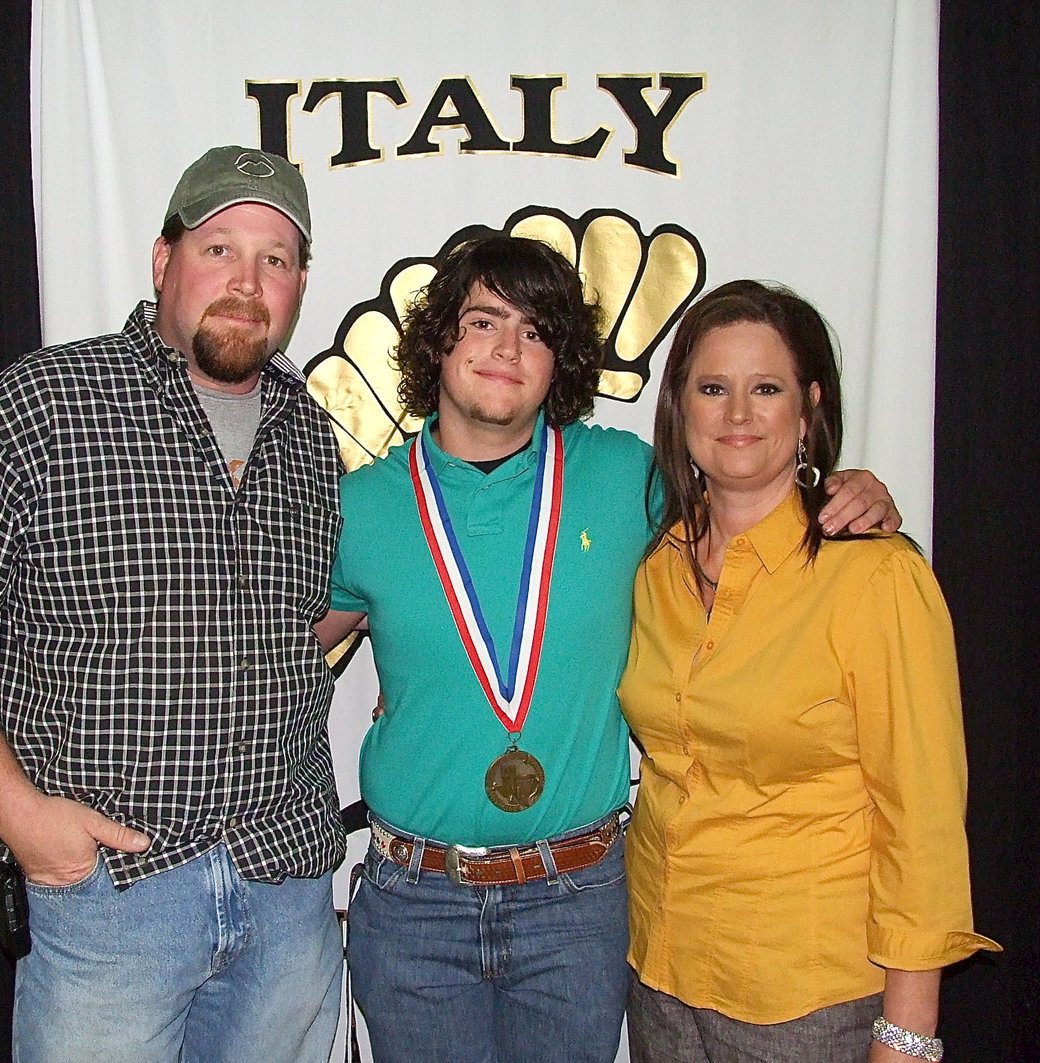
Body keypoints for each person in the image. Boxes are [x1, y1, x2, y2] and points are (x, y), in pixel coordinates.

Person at [315, 237, 901, 1063]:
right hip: (416, 904)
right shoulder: (361, 505)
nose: (507, 348)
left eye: (535, 329)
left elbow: (753, 500)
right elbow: (274, 657)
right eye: (483, 320)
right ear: (438, 339)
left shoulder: (630, 477)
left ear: (563, 361)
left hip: (576, 899)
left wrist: (849, 487)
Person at [0, 147, 345, 1063]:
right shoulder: (38, 407)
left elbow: (308, 620)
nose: (248, 284)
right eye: (219, 250)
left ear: (298, 287)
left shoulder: (314, 439)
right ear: (163, 262)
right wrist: (23, 819)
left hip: (287, 887)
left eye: (276, 260)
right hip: (111, 899)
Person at [618, 280, 999, 1063]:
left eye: (767, 388)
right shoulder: (656, 564)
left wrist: (907, 1035)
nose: (737, 415)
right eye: (712, 387)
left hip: (809, 1001)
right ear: (679, 405)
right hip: (660, 976)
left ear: (808, 407)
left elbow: (921, 824)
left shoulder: (874, 576)